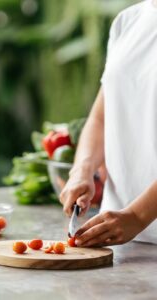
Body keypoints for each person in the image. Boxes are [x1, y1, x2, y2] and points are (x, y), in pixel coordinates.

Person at [60, 0, 157, 246]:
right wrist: (82, 170)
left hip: (129, 227)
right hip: (117, 239)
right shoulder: (128, 21)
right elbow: (101, 118)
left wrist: (137, 215)